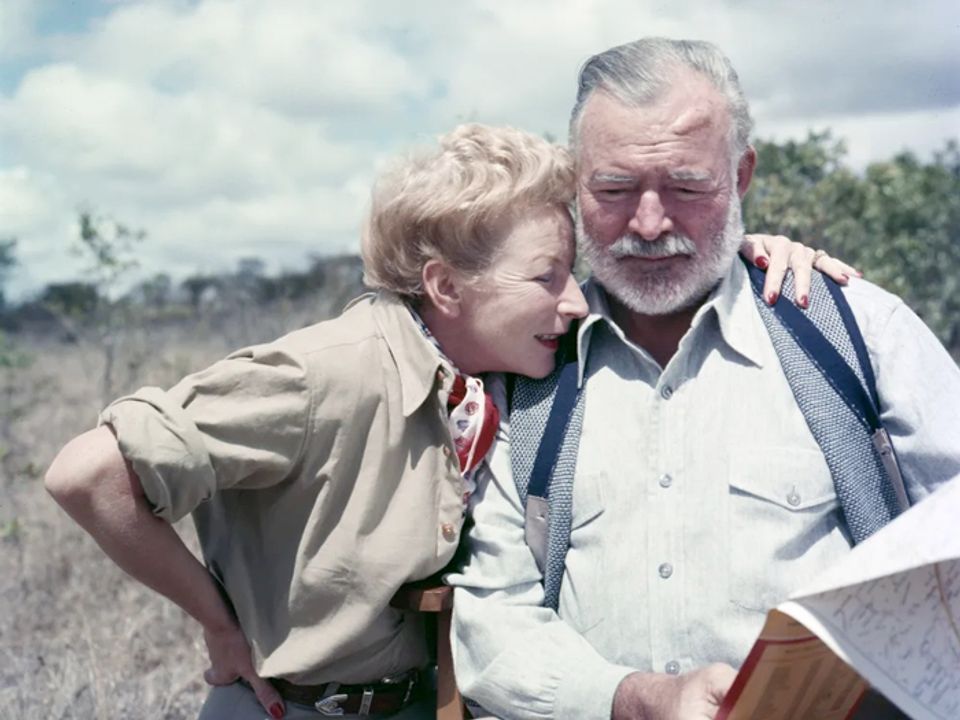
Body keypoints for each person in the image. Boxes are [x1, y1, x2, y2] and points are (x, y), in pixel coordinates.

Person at [44, 123, 838, 720]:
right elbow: (88, 475)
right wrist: (219, 628)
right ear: (446, 288)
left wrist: (751, 259)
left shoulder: (493, 364)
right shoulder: (328, 371)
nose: (573, 301)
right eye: (547, 277)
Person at [449, 39, 960, 720]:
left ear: (741, 174)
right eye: (615, 188)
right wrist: (632, 699)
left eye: (688, 188)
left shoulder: (855, 332)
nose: (650, 223)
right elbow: (493, 624)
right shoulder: (525, 368)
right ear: (574, 181)